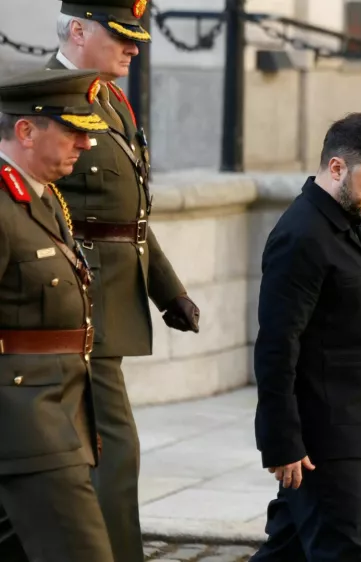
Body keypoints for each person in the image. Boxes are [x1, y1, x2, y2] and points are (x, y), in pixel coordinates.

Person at [43, 2, 201, 561]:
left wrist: (168, 290)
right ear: (79, 30)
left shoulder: (109, 101)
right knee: (114, 447)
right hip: (72, 303)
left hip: (109, 303)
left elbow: (128, 217)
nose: (134, 47)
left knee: (79, 451)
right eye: (121, 35)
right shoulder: (49, 102)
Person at [250, 112, 361, 561]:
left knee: (288, 553)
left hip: (344, 426)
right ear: (336, 168)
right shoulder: (302, 235)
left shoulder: (353, 234)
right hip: (318, 439)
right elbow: (276, 345)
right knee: (347, 553)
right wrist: (281, 440)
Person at [0, 68, 115, 562]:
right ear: (26, 131)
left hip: (58, 411)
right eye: (72, 131)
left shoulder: (43, 199)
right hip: (26, 422)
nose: (86, 145)